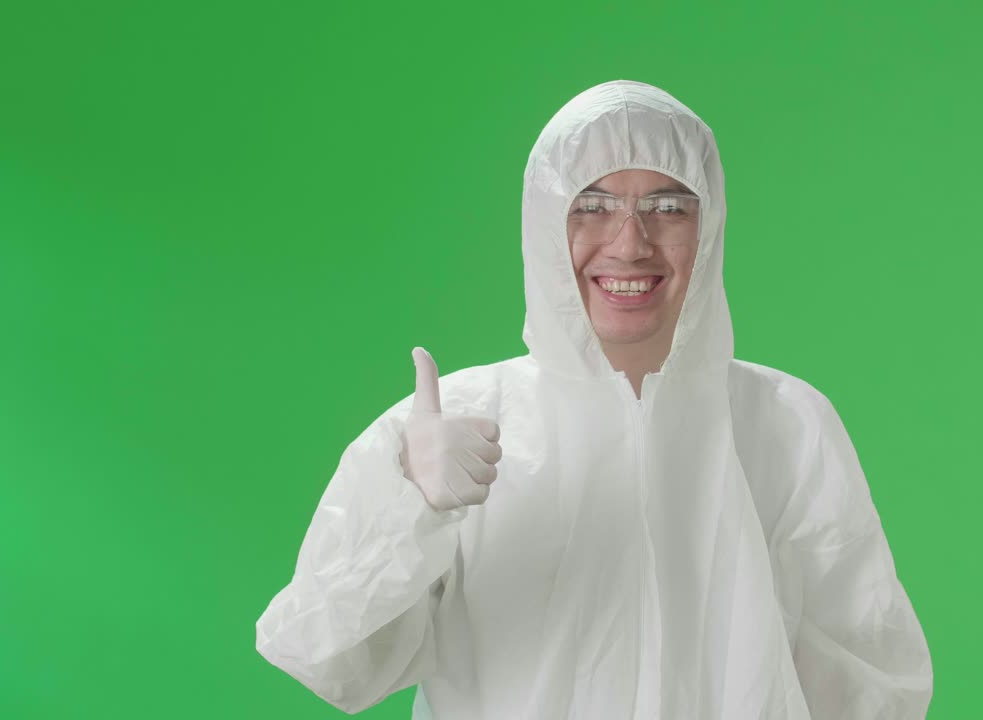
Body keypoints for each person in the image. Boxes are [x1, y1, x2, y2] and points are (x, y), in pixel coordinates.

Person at [255, 79, 934, 719]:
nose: (630, 242)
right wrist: (410, 511)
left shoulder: (786, 425)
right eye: (592, 206)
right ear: (545, 226)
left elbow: (872, 683)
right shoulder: (456, 426)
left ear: (710, 226)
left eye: (667, 207)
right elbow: (328, 660)